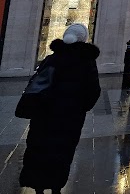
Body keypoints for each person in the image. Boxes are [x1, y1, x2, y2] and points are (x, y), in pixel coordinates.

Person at [18, 24, 101, 194]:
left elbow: (37, 83)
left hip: (44, 114)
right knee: (63, 151)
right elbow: (93, 91)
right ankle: (56, 187)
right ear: (83, 39)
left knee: (39, 148)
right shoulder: (86, 61)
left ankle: (38, 187)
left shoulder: (51, 59)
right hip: (70, 116)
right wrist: (80, 107)